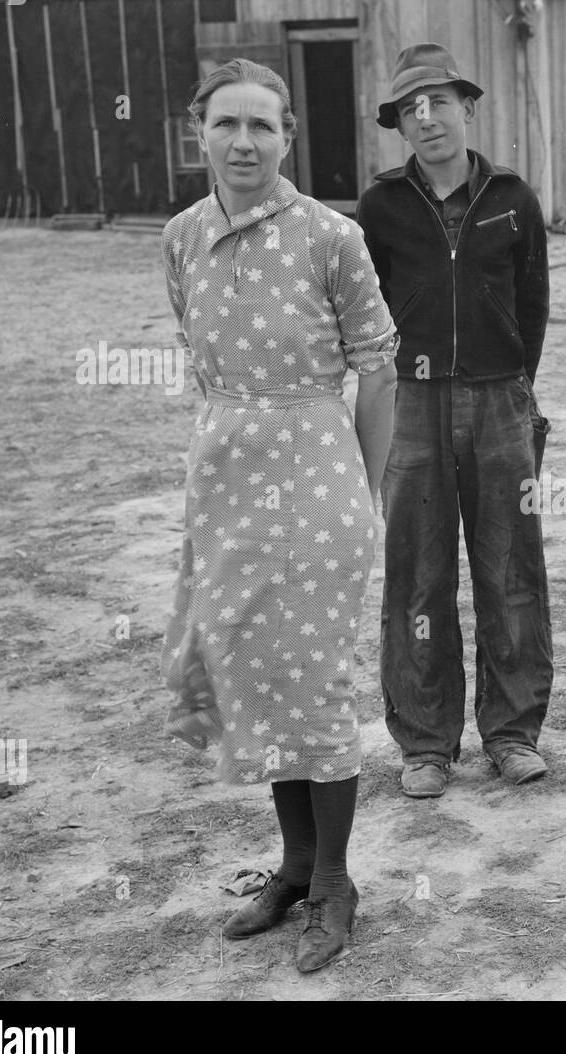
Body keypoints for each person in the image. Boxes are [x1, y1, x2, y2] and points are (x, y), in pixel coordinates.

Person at [160, 58, 397, 972]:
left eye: (263, 126)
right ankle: (295, 866)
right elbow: (199, 347)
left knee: (317, 678)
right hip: (223, 485)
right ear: (201, 133)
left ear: (289, 137)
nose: (245, 142)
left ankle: (337, 881)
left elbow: (376, 368)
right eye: (228, 125)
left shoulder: (332, 237)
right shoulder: (181, 237)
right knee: (257, 672)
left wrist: (363, 491)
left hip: (315, 479)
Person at [357, 44, 552, 800]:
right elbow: (366, 310)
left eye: (439, 102)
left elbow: (532, 302)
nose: (428, 117)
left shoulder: (514, 197)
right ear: (400, 124)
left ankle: (511, 734)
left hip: (501, 400)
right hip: (413, 403)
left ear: (467, 108)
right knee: (416, 572)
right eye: (412, 108)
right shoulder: (380, 206)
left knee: (510, 569)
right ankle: (427, 743)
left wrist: (512, 385)